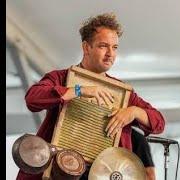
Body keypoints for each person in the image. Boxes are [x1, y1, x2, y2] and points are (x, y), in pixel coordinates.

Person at [16, 12, 165, 180]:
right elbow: (32, 99)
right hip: (58, 171)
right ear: (86, 47)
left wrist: (133, 112)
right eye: (103, 46)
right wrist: (79, 90)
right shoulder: (61, 77)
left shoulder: (124, 94)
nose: (110, 53)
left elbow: (158, 122)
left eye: (114, 47)